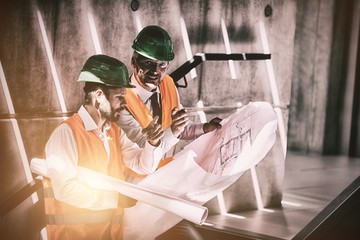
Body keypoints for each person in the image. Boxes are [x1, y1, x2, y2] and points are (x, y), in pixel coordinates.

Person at [42, 54, 166, 240]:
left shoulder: (114, 132)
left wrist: (153, 143)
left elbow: (143, 166)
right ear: (99, 96)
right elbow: (65, 190)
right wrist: (115, 199)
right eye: (120, 97)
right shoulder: (66, 133)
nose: (124, 104)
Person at [117, 25, 222, 240]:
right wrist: (173, 131)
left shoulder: (168, 85)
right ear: (134, 61)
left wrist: (203, 128)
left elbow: (177, 128)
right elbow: (149, 148)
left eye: (162, 65)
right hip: (134, 195)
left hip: (164, 188)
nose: (156, 71)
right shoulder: (120, 101)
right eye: (148, 63)